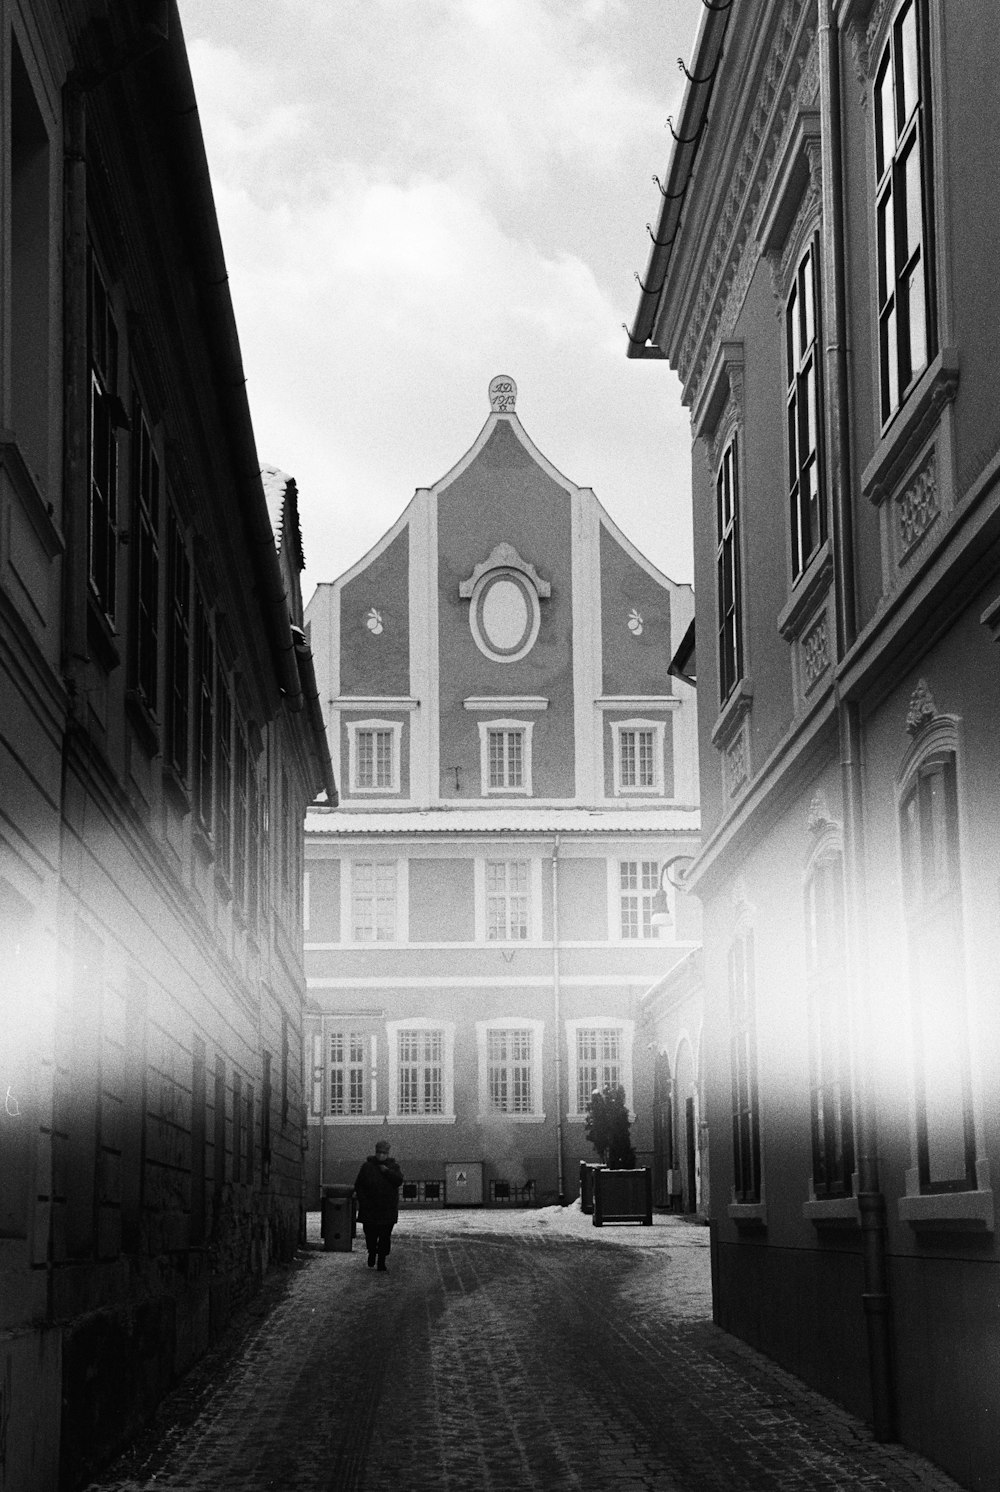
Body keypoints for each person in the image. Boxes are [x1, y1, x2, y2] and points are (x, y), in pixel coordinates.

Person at [354, 1139, 403, 1272]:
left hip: (387, 1208)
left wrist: (387, 1171)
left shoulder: (393, 1167)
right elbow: (359, 1185)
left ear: (387, 1153)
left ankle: (381, 1260)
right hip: (370, 1208)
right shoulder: (367, 1167)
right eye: (379, 1152)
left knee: (384, 1236)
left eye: (384, 1153)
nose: (381, 1155)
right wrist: (363, 1201)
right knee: (370, 1234)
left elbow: (399, 1181)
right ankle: (371, 1251)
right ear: (376, 1152)